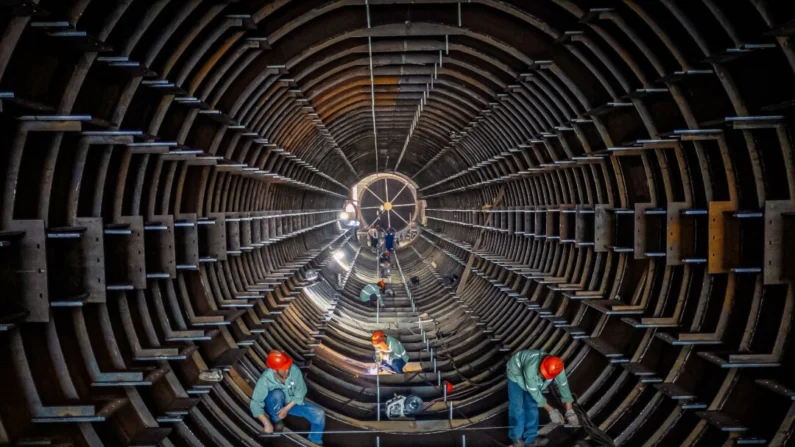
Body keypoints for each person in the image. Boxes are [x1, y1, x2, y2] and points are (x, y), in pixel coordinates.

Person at [250, 351, 325, 445]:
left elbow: (300, 392)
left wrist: (286, 408)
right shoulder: (265, 378)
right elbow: (255, 403)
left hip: (291, 403)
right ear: (274, 370)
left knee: (319, 413)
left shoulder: (294, 370)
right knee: (276, 394)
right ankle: (277, 421)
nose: (287, 371)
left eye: (287, 367)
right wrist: (266, 423)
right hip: (275, 406)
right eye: (284, 369)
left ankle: (315, 440)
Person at [506, 350, 579, 447]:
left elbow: (563, 386)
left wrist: (570, 410)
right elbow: (534, 392)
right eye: (540, 373)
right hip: (516, 372)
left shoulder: (557, 367)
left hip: (530, 377)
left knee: (532, 406)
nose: (540, 375)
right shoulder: (530, 368)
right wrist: (551, 411)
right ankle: (517, 439)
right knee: (517, 407)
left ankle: (530, 440)